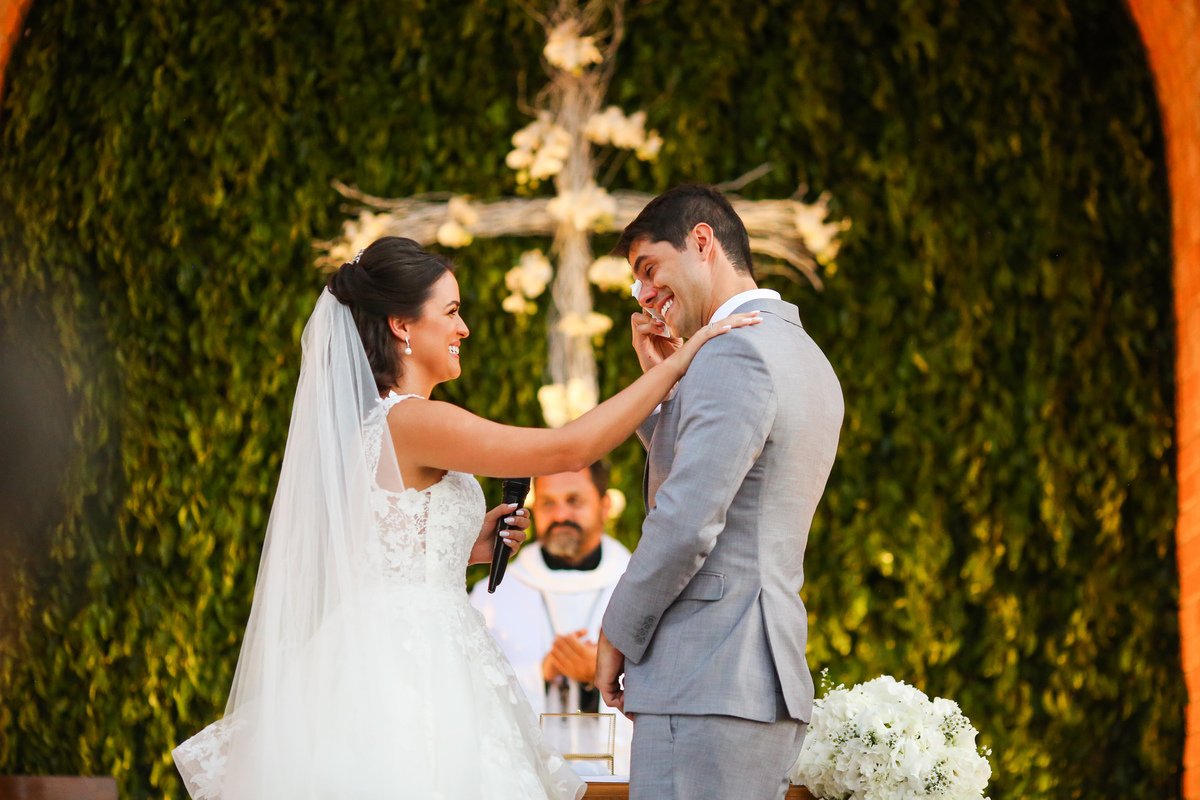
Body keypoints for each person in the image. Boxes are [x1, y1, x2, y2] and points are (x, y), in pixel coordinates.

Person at [171, 236, 760, 800]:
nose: (464, 329)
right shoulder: (414, 421)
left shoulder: (377, 427)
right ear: (402, 325)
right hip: (412, 667)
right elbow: (568, 449)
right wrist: (675, 365)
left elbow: (379, 545)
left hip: (386, 644)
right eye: (451, 312)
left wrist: (461, 546)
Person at [594, 185, 845, 800]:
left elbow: (686, 521)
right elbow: (730, 483)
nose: (643, 294)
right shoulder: (803, 352)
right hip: (758, 678)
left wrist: (618, 631)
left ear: (702, 242)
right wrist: (663, 384)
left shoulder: (736, 352)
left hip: (707, 675)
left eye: (649, 268)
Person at [470, 464, 634, 775]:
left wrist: (605, 675)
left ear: (604, 506)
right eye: (547, 503)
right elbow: (469, 690)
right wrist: (541, 674)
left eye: (574, 500)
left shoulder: (638, 588)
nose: (560, 515)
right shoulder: (495, 594)